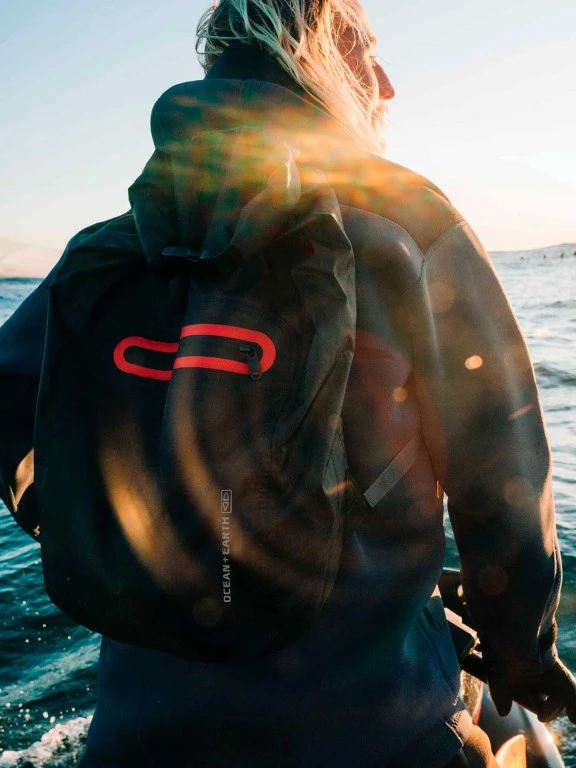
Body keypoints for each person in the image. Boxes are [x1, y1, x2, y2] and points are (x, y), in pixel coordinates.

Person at [1, 1, 575, 766]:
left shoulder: (125, 239)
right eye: (366, 50)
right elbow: (502, 475)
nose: (387, 84)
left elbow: (8, 402)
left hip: (137, 734)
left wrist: (98, 529)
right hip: (376, 733)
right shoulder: (408, 221)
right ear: (318, 49)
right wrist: (524, 657)